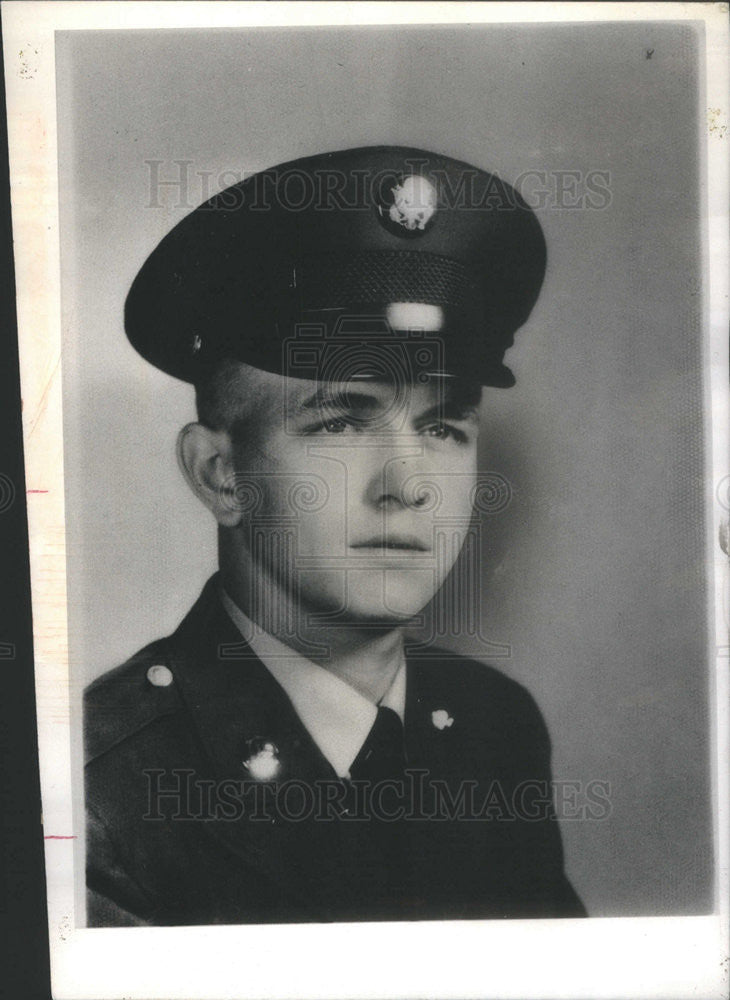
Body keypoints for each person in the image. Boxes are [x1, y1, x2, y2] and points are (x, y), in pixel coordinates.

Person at [84, 146, 586, 926]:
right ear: (221, 474)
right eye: (343, 421)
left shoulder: (494, 725)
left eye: (444, 427)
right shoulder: (102, 790)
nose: (408, 484)